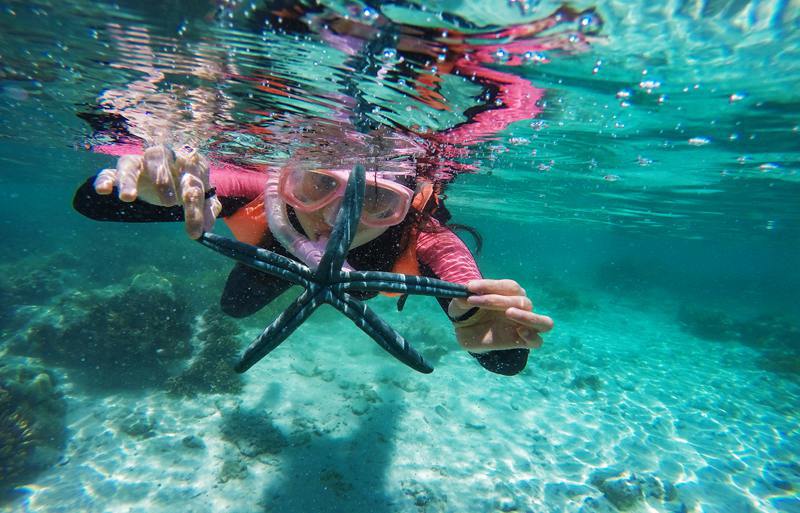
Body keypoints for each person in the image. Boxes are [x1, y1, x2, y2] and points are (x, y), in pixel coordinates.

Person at [73, 142, 553, 376]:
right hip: (274, 255)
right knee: (234, 306)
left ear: (409, 207)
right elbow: (91, 203)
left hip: (354, 286)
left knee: (237, 306)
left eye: (376, 201)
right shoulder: (253, 194)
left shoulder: (429, 240)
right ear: (287, 180)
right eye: (318, 183)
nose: (334, 216)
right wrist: (161, 193)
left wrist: (483, 329)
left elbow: (503, 358)